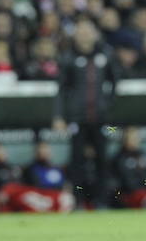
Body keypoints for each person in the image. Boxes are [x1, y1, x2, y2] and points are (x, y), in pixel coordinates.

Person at [52, 16, 117, 206]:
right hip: (77, 119)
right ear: (75, 35)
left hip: (101, 118)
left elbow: (114, 82)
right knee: (76, 162)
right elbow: (61, 90)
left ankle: (102, 201)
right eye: (81, 32)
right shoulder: (68, 57)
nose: (85, 35)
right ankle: (78, 200)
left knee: (102, 161)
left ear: (95, 34)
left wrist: (107, 103)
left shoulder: (105, 55)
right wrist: (58, 116)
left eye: (88, 31)